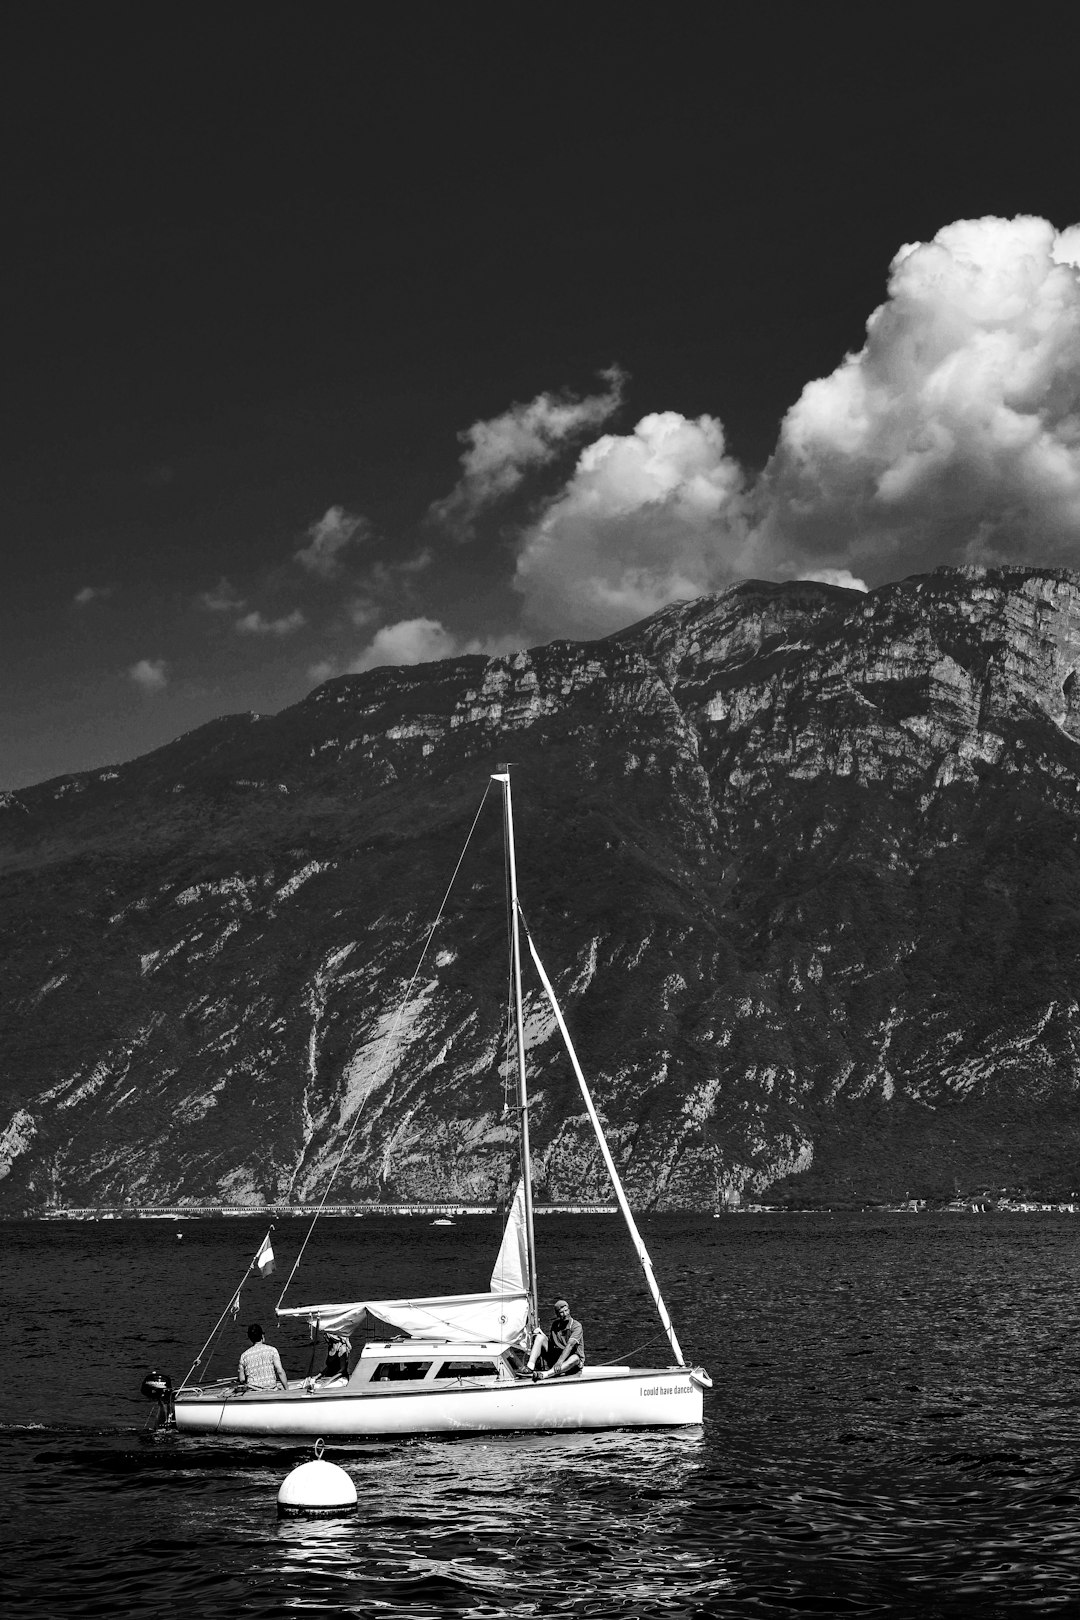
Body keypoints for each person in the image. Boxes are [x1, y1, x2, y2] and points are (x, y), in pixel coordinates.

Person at [526, 1297, 585, 1379]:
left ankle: (545, 1374)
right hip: (556, 1357)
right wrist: (541, 1335)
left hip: (571, 1362)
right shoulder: (555, 1325)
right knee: (540, 1337)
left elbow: (570, 1346)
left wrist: (559, 1362)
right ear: (557, 1314)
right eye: (561, 1312)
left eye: (566, 1310)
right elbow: (551, 1344)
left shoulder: (576, 1326)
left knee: (575, 1358)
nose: (565, 1314)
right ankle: (530, 1367)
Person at [237, 1322, 289, 1390]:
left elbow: (242, 1379)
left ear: (250, 1338)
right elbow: (280, 1371)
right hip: (271, 1389)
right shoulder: (272, 1350)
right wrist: (287, 1389)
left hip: (253, 1391)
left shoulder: (244, 1356)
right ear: (262, 1336)